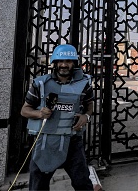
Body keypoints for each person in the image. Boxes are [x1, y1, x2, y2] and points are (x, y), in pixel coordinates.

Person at [20, 44, 94, 191]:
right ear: (54, 63)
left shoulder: (84, 84)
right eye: (60, 61)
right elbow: (24, 110)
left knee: (82, 182)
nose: (64, 65)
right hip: (45, 141)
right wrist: (39, 113)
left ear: (74, 63)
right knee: (38, 185)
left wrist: (86, 116)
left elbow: (89, 105)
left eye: (68, 61)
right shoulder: (40, 84)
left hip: (72, 141)